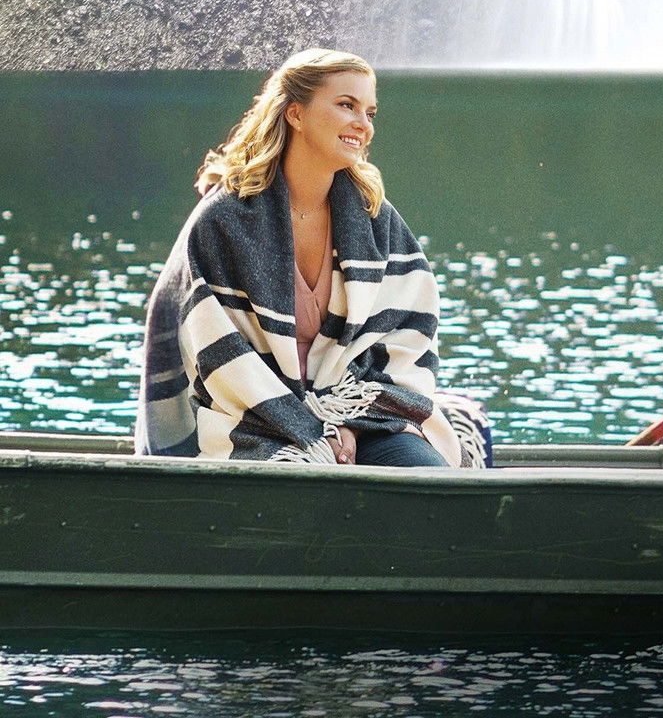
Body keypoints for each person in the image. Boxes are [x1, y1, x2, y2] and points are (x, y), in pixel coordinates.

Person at [137, 49, 480, 467]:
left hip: (361, 412)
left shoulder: (375, 216)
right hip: (255, 420)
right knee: (302, 483)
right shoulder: (224, 220)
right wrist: (312, 430)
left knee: (425, 479)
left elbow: (407, 336)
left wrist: (352, 423)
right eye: (346, 105)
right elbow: (218, 360)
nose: (363, 124)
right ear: (296, 114)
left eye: (370, 112)